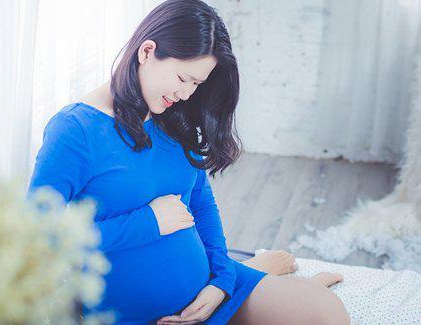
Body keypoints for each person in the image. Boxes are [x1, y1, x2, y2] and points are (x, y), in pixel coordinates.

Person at [27, 0, 350, 324]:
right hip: (138, 315)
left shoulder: (172, 116)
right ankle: (267, 273)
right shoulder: (76, 130)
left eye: (197, 84)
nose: (186, 94)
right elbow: (38, 236)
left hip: (206, 296)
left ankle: (252, 275)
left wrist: (220, 284)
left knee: (329, 315)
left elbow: (201, 203)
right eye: (184, 78)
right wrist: (147, 222)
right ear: (147, 51)